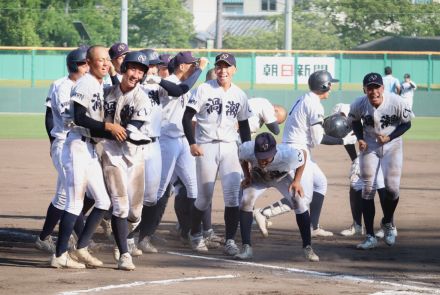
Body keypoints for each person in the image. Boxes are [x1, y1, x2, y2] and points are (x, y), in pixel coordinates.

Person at [253, 71, 356, 239]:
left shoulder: (305, 98)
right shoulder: (314, 105)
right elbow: (318, 139)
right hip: (297, 151)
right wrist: (343, 141)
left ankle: (313, 226)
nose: (331, 88)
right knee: (304, 197)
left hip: (296, 147)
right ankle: (264, 213)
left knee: (320, 183)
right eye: (330, 84)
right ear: (323, 86)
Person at [50, 45, 122, 269]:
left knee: (103, 200)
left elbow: (119, 90)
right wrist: (108, 127)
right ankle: (60, 255)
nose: (104, 63)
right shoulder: (85, 82)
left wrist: (112, 71)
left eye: (107, 60)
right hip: (76, 147)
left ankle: (81, 248)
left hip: (89, 148)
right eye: (99, 60)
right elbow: (80, 118)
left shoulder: (101, 84)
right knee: (74, 202)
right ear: (89, 63)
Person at [183, 52, 252, 255]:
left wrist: (247, 152)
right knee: (204, 197)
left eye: (227, 66)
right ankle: (195, 234)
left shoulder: (239, 94)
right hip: (206, 146)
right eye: (219, 66)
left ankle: (230, 240)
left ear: (234, 70)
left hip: (230, 146)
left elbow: (245, 125)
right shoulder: (204, 89)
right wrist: (192, 143)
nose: (223, 70)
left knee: (233, 197)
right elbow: (187, 118)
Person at [348, 72, 412, 250]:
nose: (374, 91)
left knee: (392, 189)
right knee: (368, 189)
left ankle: (387, 222)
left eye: (377, 87)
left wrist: (390, 137)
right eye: (370, 88)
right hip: (370, 145)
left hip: (393, 145)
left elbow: (407, 124)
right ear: (365, 89)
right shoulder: (359, 104)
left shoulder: (397, 102)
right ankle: (370, 236)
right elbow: (354, 121)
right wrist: (360, 138)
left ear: (383, 88)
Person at [36, 48, 90, 253]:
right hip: (64, 142)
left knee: (64, 195)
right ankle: (82, 239)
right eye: (86, 63)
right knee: (72, 194)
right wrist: (52, 141)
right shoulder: (62, 86)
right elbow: (58, 117)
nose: (90, 66)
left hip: (76, 143)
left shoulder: (87, 85)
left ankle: (45, 237)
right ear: (78, 65)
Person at [101, 51, 151, 270]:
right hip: (112, 154)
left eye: (140, 71)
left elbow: (131, 130)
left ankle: (119, 236)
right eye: (132, 69)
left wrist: (111, 128)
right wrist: (105, 127)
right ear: (124, 70)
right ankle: (124, 253)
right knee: (120, 206)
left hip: (134, 156)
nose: (136, 74)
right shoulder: (107, 93)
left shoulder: (142, 97)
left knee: (135, 214)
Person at [236, 132, 319, 261]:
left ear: (274, 151)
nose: (263, 161)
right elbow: (242, 158)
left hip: (282, 178)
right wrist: (247, 176)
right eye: (260, 156)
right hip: (258, 178)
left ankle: (307, 247)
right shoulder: (246, 149)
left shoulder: (287, 154)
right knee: (245, 201)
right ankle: (246, 248)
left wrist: (297, 181)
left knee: (299, 201)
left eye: (267, 157)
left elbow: (304, 154)